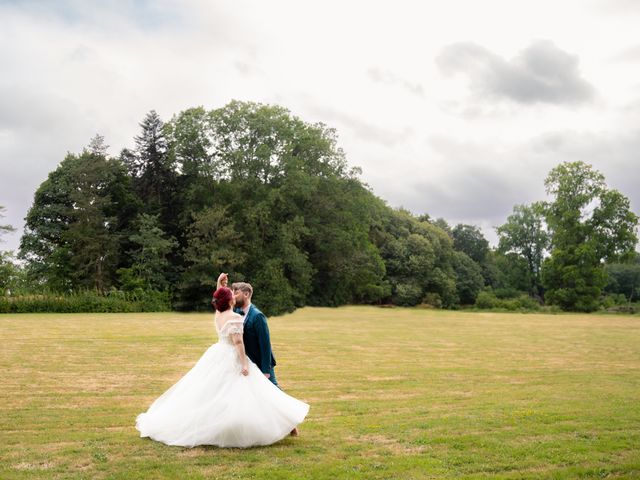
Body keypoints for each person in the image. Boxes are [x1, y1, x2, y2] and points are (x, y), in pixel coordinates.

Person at [135, 286, 309, 448]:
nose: (234, 295)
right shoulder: (235, 317)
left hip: (217, 353)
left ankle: (284, 425)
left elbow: (225, 308)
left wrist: (219, 285)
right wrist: (244, 364)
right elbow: (238, 342)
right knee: (254, 390)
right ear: (230, 301)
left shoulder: (219, 314)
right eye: (231, 294)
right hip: (232, 355)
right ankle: (280, 424)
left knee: (215, 390)